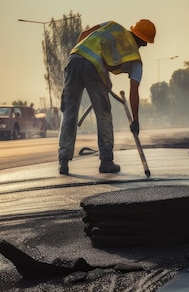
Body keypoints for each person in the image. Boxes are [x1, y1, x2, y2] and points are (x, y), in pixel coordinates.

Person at [58, 19, 156, 175]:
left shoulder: (111, 25)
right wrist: (135, 121)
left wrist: (84, 60)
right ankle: (106, 161)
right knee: (104, 115)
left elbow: (84, 34)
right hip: (94, 68)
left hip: (75, 58)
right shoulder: (135, 59)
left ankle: (63, 161)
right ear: (144, 43)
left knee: (69, 113)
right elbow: (134, 91)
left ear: (133, 29)